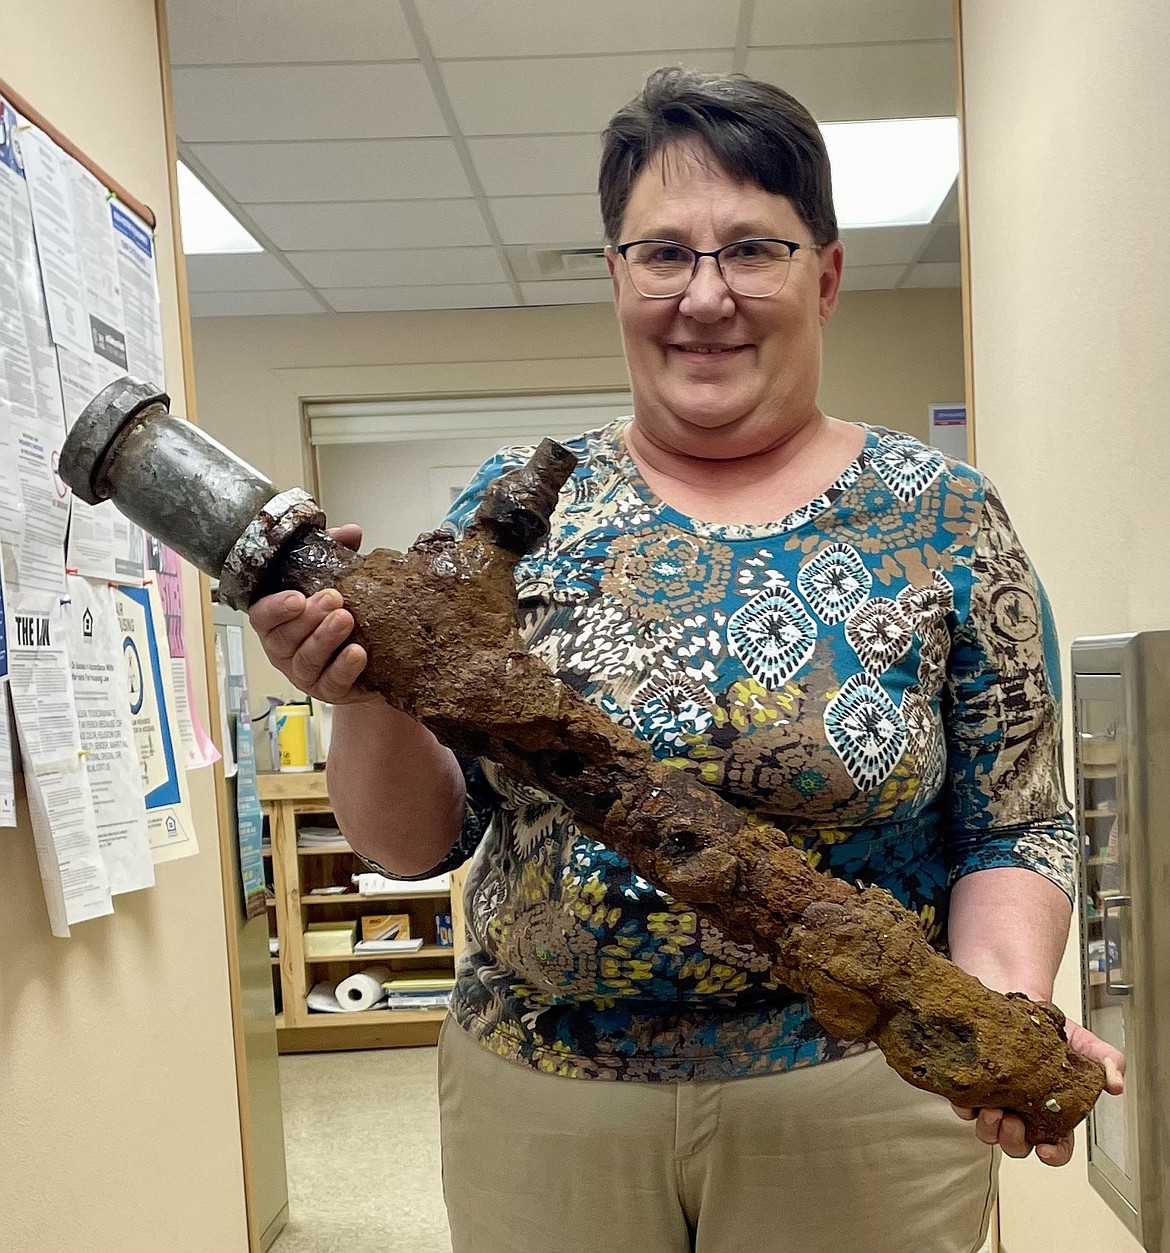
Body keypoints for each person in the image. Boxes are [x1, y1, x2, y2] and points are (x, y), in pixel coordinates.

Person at [250, 68, 1124, 1253]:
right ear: (616, 276)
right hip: (542, 1099)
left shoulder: (945, 518)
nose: (704, 297)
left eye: (751, 249)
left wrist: (993, 1008)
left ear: (825, 275)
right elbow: (418, 842)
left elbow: (1013, 820)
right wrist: (362, 697)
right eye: (663, 253)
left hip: (854, 1101)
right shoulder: (521, 511)